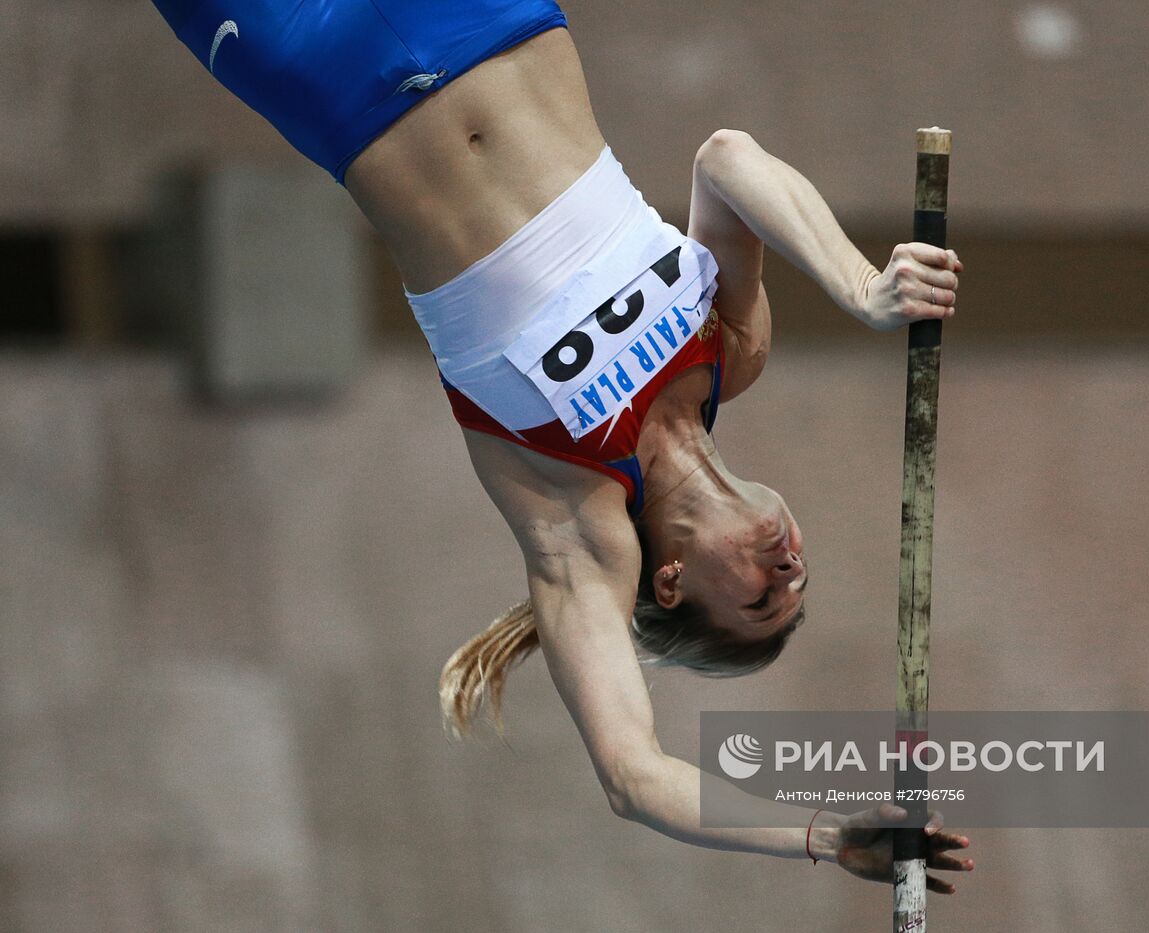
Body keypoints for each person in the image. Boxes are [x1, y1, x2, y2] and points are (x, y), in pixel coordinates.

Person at [150, 1, 971, 890]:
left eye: (761, 598)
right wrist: (862, 287)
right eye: (802, 581)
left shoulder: (578, 527)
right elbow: (728, 160)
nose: (791, 570)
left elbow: (634, 777)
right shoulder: (732, 351)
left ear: (670, 582)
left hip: (334, 77)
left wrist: (823, 833)